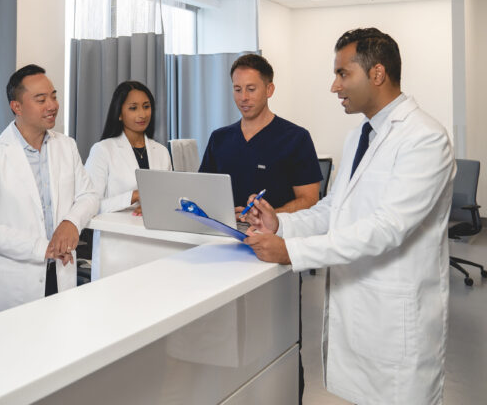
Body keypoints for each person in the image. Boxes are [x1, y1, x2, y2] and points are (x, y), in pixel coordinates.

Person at [243, 28, 455, 404]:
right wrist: (283, 223)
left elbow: (387, 228)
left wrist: (292, 252)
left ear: (377, 74)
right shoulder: (360, 134)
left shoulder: (425, 137)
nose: (334, 86)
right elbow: (334, 208)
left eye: (343, 73)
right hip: (358, 308)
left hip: (395, 317)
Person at [0, 64, 98, 316]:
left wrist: (71, 222)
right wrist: (41, 247)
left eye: (54, 96)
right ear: (17, 107)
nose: (52, 105)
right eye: (41, 99)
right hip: (13, 285)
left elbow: (89, 195)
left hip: (61, 274)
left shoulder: (66, 146)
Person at [199, 54, 322, 215]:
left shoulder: (296, 138)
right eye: (237, 89)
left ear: (269, 90)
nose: (243, 97)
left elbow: (309, 200)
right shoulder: (219, 138)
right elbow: (203, 192)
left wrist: (269, 217)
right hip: (227, 231)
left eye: (251, 89)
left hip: (276, 235)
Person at [84, 81, 172, 279]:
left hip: (158, 248)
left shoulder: (162, 152)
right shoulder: (103, 150)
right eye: (133, 108)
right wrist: (133, 196)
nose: (142, 114)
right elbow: (88, 206)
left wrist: (156, 205)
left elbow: (169, 200)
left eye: (146, 106)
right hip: (117, 251)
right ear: (120, 113)